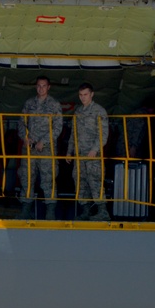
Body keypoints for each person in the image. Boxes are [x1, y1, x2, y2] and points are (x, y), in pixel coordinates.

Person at [17, 76, 63, 220]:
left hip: (46, 149)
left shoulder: (54, 105)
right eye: (38, 86)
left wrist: (44, 141)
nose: (41, 88)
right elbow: (21, 122)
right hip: (29, 149)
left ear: (49, 87)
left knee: (48, 179)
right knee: (27, 178)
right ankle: (26, 208)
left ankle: (50, 211)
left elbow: (58, 127)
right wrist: (24, 137)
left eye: (44, 86)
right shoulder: (29, 103)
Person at [66, 83, 110, 221]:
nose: (83, 97)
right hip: (79, 155)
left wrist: (95, 149)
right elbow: (73, 133)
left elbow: (103, 133)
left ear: (92, 94)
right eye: (80, 95)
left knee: (95, 181)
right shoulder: (78, 111)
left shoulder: (99, 111)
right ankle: (86, 211)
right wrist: (69, 151)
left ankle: (103, 212)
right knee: (80, 182)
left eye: (85, 94)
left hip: (93, 155)